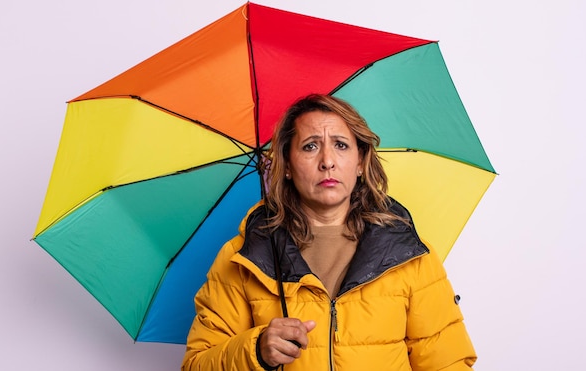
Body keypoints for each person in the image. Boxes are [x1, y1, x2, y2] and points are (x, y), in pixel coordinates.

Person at [182, 94, 477, 370]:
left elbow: (449, 364)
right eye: (310, 146)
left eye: (341, 145)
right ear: (286, 164)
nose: (327, 161)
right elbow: (196, 364)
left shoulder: (410, 256)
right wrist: (256, 350)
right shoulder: (243, 258)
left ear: (360, 162)